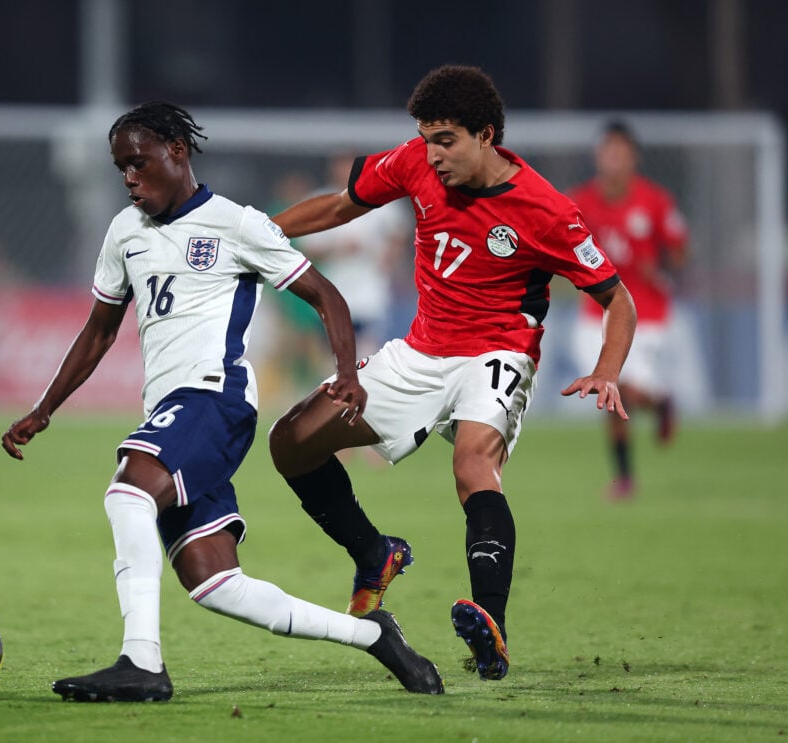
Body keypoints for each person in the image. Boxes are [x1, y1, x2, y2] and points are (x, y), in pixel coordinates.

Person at [0, 101, 443, 702]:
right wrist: (44, 408)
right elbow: (99, 331)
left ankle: (141, 662)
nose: (129, 177)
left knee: (129, 492)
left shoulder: (238, 224)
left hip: (214, 397)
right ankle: (373, 636)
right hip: (172, 409)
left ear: (177, 151)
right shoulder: (125, 231)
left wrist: (347, 374)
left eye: (138, 162)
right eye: (120, 167)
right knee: (215, 583)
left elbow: (326, 295)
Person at [267, 65, 637, 682]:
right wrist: (256, 233)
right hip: (419, 353)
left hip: (498, 352)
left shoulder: (547, 210)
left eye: (446, 141)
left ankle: (491, 627)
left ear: (486, 135)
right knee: (291, 441)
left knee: (472, 467)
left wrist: (607, 369)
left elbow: (617, 299)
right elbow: (338, 206)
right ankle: (373, 553)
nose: (433, 154)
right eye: (426, 139)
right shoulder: (416, 161)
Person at [569, 121, 689, 500]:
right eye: (607, 152)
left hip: (646, 313)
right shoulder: (580, 202)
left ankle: (659, 403)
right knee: (609, 390)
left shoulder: (656, 201)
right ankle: (624, 477)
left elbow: (680, 251)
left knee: (620, 389)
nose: (613, 160)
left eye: (620, 153)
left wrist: (661, 269)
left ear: (633, 157)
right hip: (596, 313)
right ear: (598, 156)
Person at [296, 152, 412, 356]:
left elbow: (400, 231)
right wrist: (339, 248)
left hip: (370, 293)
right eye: (341, 168)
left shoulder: (378, 197)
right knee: (334, 356)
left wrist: (389, 259)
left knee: (367, 353)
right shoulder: (321, 200)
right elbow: (307, 247)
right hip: (333, 288)